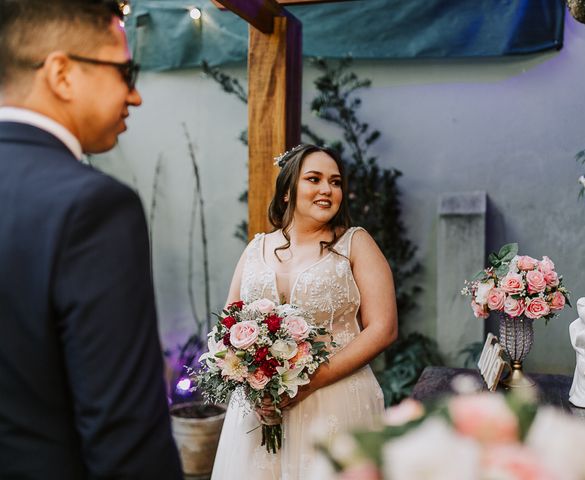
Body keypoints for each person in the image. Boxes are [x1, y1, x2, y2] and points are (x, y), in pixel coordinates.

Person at [0, 1, 183, 478]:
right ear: (61, 74)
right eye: (127, 70)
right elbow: (124, 432)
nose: (136, 95)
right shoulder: (93, 207)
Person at [211, 144, 398, 479]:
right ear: (287, 192)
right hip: (260, 410)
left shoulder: (356, 244)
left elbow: (383, 328)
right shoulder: (256, 248)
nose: (327, 189)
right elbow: (227, 325)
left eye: (336, 182)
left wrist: (311, 382)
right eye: (314, 179)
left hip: (335, 402)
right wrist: (252, 382)